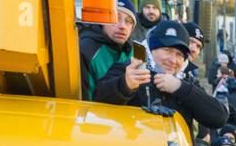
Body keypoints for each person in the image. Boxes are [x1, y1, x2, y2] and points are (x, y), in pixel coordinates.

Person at [95, 21, 228, 132]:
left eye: (179, 55)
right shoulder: (130, 70)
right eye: (167, 50)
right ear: (151, 50)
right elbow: (98, 100)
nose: (173, 60)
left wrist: (180, 88)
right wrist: (125, 85)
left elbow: (219, 117)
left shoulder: (187, 82)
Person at [79, 0, 136, 101]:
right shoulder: (86, 50)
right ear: (102, 20)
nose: (122, 26)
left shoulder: (134, 51)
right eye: (115, 18)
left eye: (128, 21)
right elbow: (86, 102)